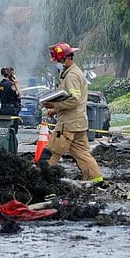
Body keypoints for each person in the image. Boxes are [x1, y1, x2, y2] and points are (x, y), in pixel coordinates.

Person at [40, 42, 103, 183]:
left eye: (58, 61)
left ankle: (42, 179)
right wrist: (55, 110)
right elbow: (73, 99)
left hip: (68, 124)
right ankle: (96, 179)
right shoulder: (71, 73)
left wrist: (54, 104)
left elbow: (74, 100)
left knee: (52, 151)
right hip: (79, 122)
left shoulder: (72, 76)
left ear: (67, 58)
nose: (57, 63)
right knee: (82, 153)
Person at [0, 67, 21, 131]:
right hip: (11, 110)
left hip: (3, 109)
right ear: (10, 75)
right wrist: (17, 85)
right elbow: (18, 95)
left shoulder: (0, 84)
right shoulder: (10, 85)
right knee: (13, 130)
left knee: (4, 129)